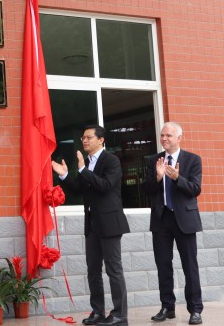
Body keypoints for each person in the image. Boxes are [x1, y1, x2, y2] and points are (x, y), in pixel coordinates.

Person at [52, 124, 129, 326]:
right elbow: (79, 189)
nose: (84, 141)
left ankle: (120, 315)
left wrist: (83, 170)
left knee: (113, 269)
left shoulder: (111, 160)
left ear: (101, 140)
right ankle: (98, 312)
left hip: (110, 223)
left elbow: (105, 186)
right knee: (93, 270)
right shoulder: (86, 162)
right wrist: (64, 175)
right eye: (83, 138)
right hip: (92, 223)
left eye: (89, 137)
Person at [142, 122, 203, 325]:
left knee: (189, 266)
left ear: (179, 138)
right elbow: (147, 190)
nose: (164, 138)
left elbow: (195, 189)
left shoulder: (193, 159)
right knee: (163, 265)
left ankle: (195, 309)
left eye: (168, 135)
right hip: (161, 219)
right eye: (162, 135)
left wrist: (177, 178)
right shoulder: (153, 160)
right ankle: (167, 307)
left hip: (184, 219)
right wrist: (158, 178)